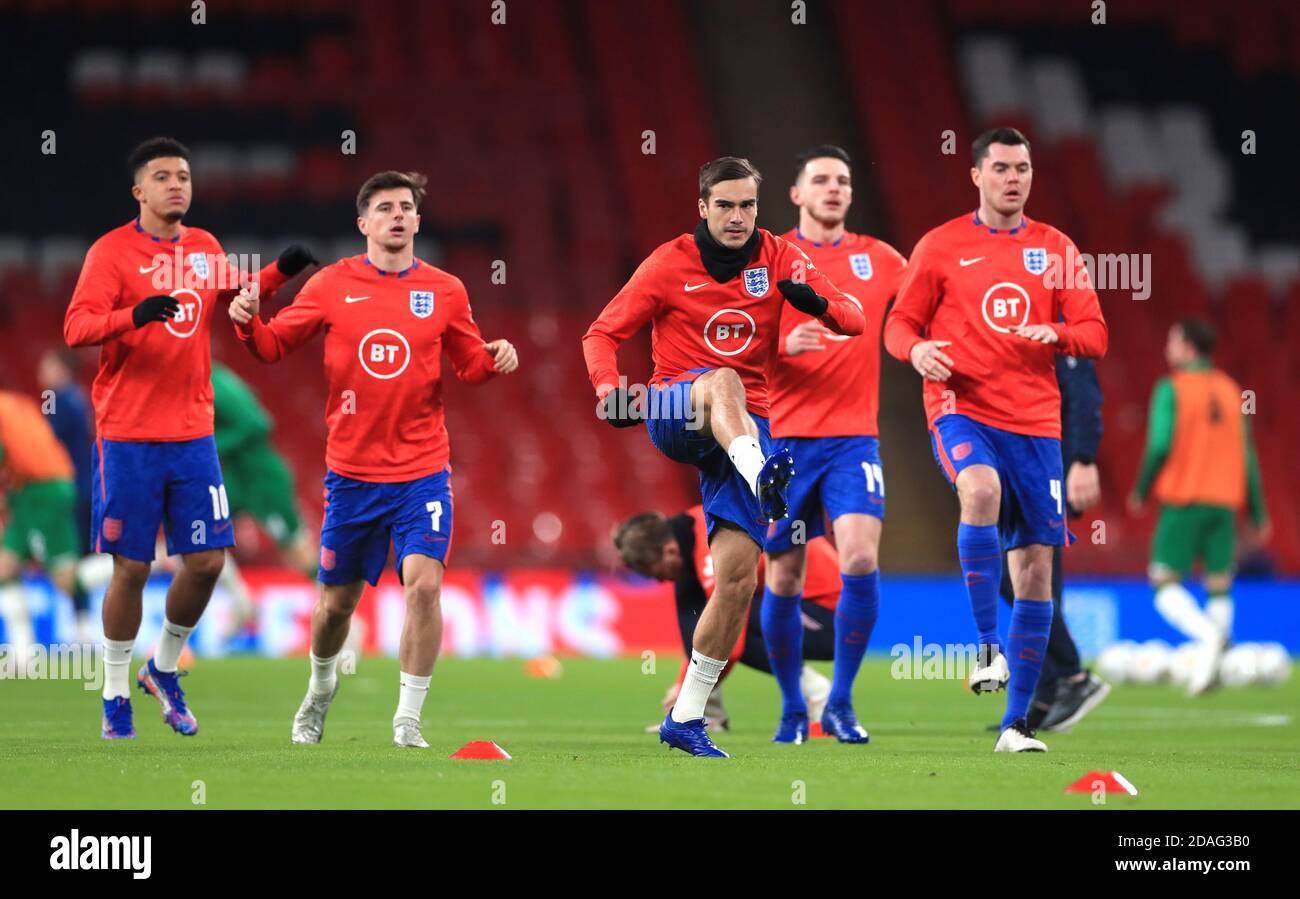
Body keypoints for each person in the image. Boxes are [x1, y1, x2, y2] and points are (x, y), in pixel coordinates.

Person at [583, 156, 864, 757]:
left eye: (748, 206)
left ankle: (685, 718)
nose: (738, 217)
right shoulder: (667, 263)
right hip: (673, 411)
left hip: (743, 432)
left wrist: (815, 303)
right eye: (726, 205)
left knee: (736, 581)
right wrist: (610, 390)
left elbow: (854, 319)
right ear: (703, 208)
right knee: (723, 381)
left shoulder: (782, 256)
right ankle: (762, 472)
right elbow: (601, 333)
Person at [229, 170, 519, 748]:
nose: (396, 215)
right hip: (353, 475)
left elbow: (467, 364)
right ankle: (318, 689)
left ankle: (407, 718)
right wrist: (246, 325)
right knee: (336, 605)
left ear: (417, 220)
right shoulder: (333, 284)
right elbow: (272, 347)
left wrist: (495, 358)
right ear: (363, 223)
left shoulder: (445, 290)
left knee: (424, 587)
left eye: (406, 207)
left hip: (422, 471)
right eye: (384, 208)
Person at [64, 135, 314, 740]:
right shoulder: (110, 252)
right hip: (127, 434)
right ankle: (115, 690)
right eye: (164, 176)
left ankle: (164, 668)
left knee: (205, 561)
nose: (178, 184)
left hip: (193, 433)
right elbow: (76, 327)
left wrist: (283, 269)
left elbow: (237, 293)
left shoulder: (202, 248)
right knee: (130, 567)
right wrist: (133, 316)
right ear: (139, 191)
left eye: (184, 175)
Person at [884, 127, 1107, 752]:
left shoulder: (1055, 248)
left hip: (1036, 423)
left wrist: (1057, 334)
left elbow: (1095, 333)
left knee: (1035, 573)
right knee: (978, 491)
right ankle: (986, 648)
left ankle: (1016, 725)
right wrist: (918, 349)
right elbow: (898, 324)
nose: (1015, 178)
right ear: (977, 175)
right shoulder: (942, 245)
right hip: (961, 407)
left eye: (1024, 168)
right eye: (1003, 168)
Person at [762, 145, 907, 744]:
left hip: (853, 444)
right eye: (819, 179)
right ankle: (794, 705)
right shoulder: (770, 261)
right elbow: (728, 338)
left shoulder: (883, 259)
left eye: (843, 181)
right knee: (785, 578)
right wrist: (778, 346)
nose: (834, 188)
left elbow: (924, 309)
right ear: (796, 194)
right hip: (787, 444)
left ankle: (841, 702)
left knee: (860, 560)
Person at [1128, 318, 1268, 695]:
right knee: (1219, 584)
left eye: (1172, 340)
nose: (1166, 347)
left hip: (1184, 499)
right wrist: (1258, 511)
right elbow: (1247, 454)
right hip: (1226, 502)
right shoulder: (1230, 389)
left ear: (1189, 347)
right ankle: (1212, 667)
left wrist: (1141, 488)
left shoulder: (1171, 388)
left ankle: (1211, 637)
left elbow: (1159, 444)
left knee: (1163, 582)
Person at [614, 506, 839, 734]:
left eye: (657, 573)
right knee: (707, 618)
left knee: (729, 619)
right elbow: (697, 641)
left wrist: (686, 692)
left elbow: (728, 641)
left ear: (670, 551)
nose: (661, 582)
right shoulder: (690, 537)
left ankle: (817, 693)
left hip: (830, 618)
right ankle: (706, 716)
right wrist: (682, 684)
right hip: (793, 608)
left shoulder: (711, 541)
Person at [991, 355, 1109, 733]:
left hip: (1050, 465)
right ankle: (1043, 695)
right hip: (1027, 461)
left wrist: (1082, 459)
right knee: (1038, 579)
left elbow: (1085, 398)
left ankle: (1074, 678)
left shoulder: (1061, 335)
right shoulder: (1025, 328)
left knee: (1018, 578)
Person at [0, 391, 82, 659]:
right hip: (34, 489)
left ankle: (132, 567)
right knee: (4, 567)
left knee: (65, 580)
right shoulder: (18, 402)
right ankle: (23, 653)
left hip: (43, 489)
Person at [36, 349, 96, 640]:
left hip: (66, 489)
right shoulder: (79, 397)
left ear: (62, 368)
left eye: (48, 365)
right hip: (84, 486)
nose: (42, 373)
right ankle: (81, 621)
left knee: (69, 557)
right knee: (81, 555)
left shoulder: (54, 398)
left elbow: (44, 438)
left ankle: (81, 624)